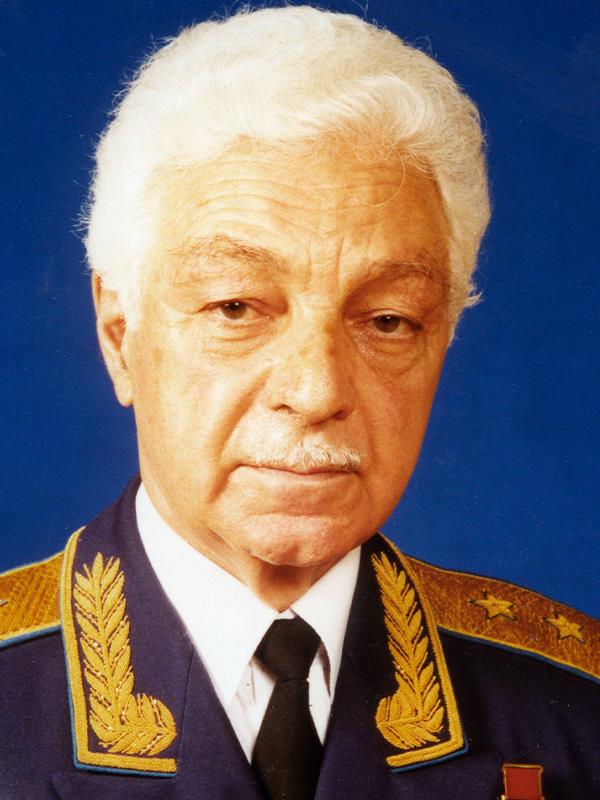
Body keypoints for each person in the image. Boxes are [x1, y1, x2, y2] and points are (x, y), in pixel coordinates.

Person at [0, 6, 598, 799]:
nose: (317, 392)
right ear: (120, 335)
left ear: (443, 338)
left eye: (388, 320)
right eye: (236, 308)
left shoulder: (573, 712)